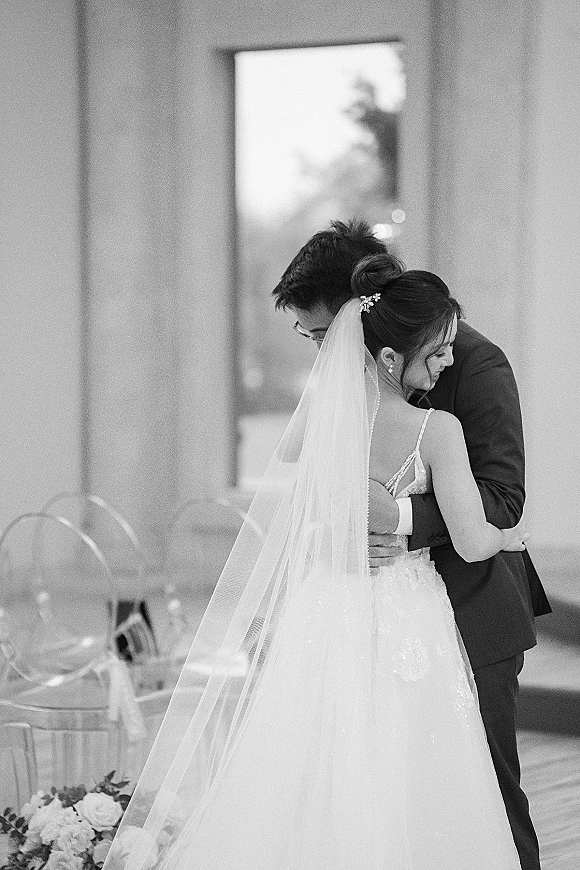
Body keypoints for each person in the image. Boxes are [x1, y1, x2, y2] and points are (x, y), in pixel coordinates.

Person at [106, 262, 528, 870]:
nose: (445, 365)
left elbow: (291, 458)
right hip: (410, 613)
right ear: (388, 357)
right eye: (435, 355)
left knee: (326, 764)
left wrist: (366, 495)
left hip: (332, 603)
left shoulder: (334, 413)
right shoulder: (438, 430)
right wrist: (507, 537)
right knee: (414, 771)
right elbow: (474, 539)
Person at [272, 219, 551, 870]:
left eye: (324, 332)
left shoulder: (476, 364)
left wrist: (392, 516)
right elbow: (309, 479)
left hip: (471, 612)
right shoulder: (342, 390)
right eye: (314, 339)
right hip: (371, 625)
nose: (324, 351)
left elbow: (504, 499)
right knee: (380, 803)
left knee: (485, 804)